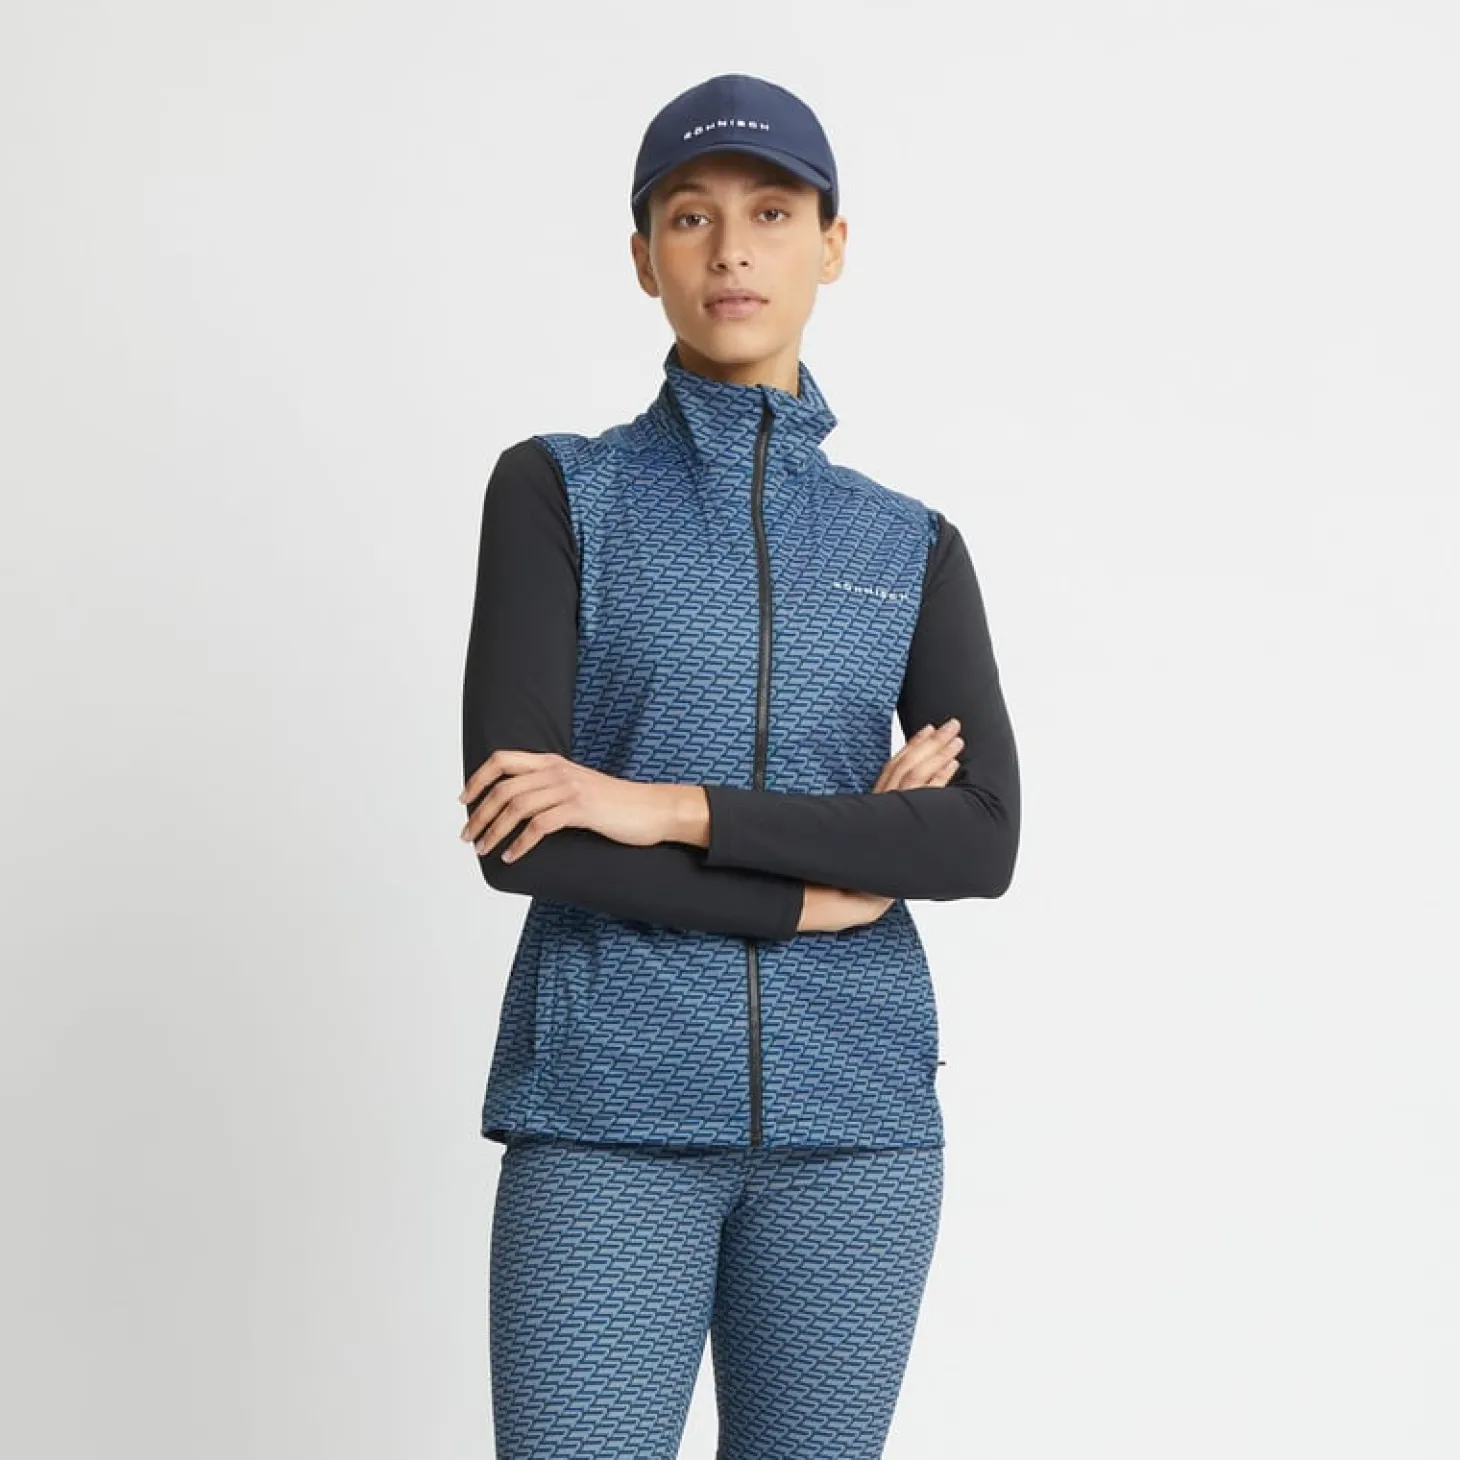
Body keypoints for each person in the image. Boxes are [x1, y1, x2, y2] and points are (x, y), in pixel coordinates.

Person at [457, 72, 1020, 1460]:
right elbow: (525, 836)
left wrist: (658, 807)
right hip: (607, 1115)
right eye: (689, 216)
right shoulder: (558, 492)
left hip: (858, 1125)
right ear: (642, 254)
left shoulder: (909, 545)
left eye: (772, 213)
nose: (731, 250)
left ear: (833, 245)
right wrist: (819, 891)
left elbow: (977, 837)